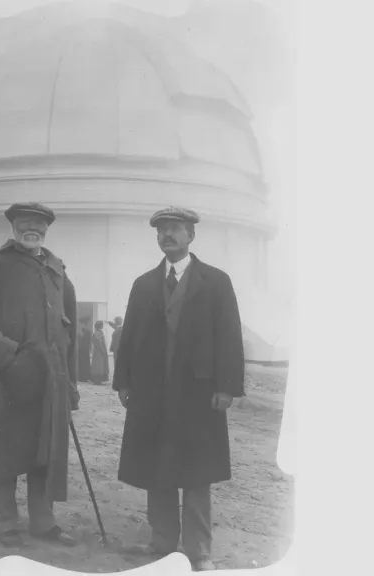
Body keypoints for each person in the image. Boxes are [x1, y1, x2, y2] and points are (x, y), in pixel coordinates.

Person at [113, 206, 245, 572]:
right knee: (158, 466)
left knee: (197, 471)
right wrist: (123, 380)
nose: (167, 235)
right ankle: (162, 541)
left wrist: (227, 387)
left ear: (191, 236)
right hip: (152, 392)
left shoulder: (216, 282)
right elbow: (129, 338)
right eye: (162, 230)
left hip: (199, 394)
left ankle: (199, 550)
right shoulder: (143, 284)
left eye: (175, 229)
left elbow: (229, 337)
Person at [0, 202, 80, 548]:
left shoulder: (58, 271)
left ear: (47, 229)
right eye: (25, 222)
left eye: (39, 224)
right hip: (7, 376)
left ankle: (43, 522)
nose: (32, 228)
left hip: (49, 379)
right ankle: (5, 523)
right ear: (13, 227)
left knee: (44, 450)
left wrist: (69, 382)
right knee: (5, 449)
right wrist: (9, 357)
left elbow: (68, 331)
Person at [90, 320, 109, 385]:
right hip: (99, 352)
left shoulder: (95, 333)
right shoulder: (99, 333)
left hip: (96, 351)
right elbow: (99, 343)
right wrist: (103, 351)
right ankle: (98, 380)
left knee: (97, 366)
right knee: (99, 366)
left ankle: (97, 379)